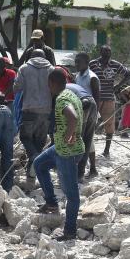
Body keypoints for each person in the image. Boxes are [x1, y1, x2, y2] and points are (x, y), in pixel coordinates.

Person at [34, 69, 85, 242]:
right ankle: (51, 203)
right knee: (39, 164)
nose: (48, 89)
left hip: (67, 152)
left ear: (52, 83)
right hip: (63, 148)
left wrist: (69, 134)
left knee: (72, 196)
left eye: (49, 85)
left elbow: (72, 116)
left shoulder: (62, 99)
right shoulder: (71, 93)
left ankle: (70, 230)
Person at [14, 49, 54, 178]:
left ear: (30, 56)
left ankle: (35, 159)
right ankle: (31, 176)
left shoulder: (24, 68)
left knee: (25, 138)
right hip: (46, 111)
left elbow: (17, 88)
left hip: (29, 110)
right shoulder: (51, 69)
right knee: (39, 142)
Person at [88, 45, 130, 159]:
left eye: (109, 51)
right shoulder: (92, 64)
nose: (107, 53)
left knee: (109, 124)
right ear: (100, 52)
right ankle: (88, 149)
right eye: (105, 51)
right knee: (90, 123)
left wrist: (118, 86)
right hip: (94, 98)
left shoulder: (115, 64)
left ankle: (106, 150)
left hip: (109, 98)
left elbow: (129, 74)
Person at [73, 52, 100, 179]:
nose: (76, 64)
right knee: (86, 142)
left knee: (87, 142)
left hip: (89, 112)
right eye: (75, 61)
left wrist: (96, 118)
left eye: (79, 61)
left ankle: (86, 170)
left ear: (86, 63)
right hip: (80, 112)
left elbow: (97, 99)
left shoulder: (92, 77)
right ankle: (88, 169)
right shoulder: (78, 76)